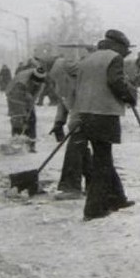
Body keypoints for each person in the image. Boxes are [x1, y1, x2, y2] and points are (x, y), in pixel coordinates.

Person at [72, 29, 137, 221]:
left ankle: (117, 198)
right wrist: (128, 96)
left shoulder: (88, 59)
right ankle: (94, 209)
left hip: (86, 113)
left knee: (103, 156)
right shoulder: (113, 58)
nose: (125, 54)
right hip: (104, 114)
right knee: (102, 162)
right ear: (119, 46)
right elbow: (115, 82)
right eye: (125, 50)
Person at [49, 52, 93, 200]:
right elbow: (64, 99)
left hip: (87, 115)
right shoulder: (60, 77)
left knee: (75, 147)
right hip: (82, 115)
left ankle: (71, 187)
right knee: (80, 148)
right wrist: (58, 122)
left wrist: (75, 121)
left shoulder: (61, 71)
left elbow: (78, 101)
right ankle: (93, 185)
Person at [5, 66, 47, 153]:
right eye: (35, 81)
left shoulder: (42, 81)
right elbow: (17, 96)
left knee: (31, 119)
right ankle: (16, 143)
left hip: (28, 97)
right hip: (14, 96)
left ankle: (31, 144)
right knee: (19, 119)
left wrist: (30, 107)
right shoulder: (22, 81)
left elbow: (35, 95)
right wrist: (24, 112)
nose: (36, 83)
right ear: (32, 77)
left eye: (38, 82)